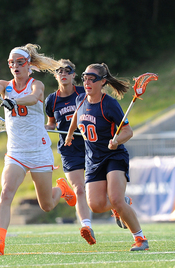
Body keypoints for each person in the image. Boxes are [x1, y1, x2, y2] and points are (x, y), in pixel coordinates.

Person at [0, 43, 76, 256]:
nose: (15, 66)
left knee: (46, 205)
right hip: (16, 153)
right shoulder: (5, 86)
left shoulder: (37, 85)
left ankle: (62, 189)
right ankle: (0, 241)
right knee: (6, 193)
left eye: (19, 63)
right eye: (11, 63)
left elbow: (33, 98)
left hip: (38, 151)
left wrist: (13, 101)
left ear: (28, 66)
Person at [64, 63, 149, 251]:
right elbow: (76, 116)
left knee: (116, 199)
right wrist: (70, 134)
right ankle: (120, 204)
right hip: (93, 160)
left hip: (113, 156)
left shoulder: (109, 104)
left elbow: (128, 131)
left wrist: (117, 140)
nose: (87, 82)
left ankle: (140, 239)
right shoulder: (80, 99)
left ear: (102, 82)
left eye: (91, 78)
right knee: (95, 205)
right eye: (85, 77)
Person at [45, 59, 95, 245]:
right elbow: (51, 122)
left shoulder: (84, 92)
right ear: (56, 75)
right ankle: (86, 226)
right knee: (80, 188)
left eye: (68, 70)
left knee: (95, 190)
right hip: (69, 148)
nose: (63, 73)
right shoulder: (52, 99)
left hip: (91, 145)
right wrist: (45, 127)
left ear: (74, 75)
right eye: (59, 71)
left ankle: (120, 203)